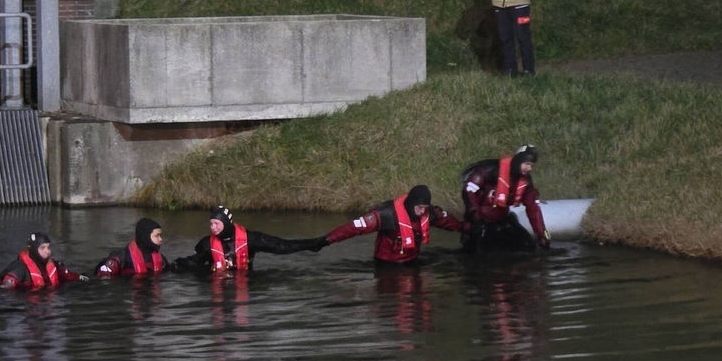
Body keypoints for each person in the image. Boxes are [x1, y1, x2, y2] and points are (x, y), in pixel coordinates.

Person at [318, 185, 465, 266]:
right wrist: (326, 240)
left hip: (411, 262)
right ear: (411, 203)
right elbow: (353, 228)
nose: (422, 212)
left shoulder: (428, 213)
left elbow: (447, 222)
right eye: (419, 207)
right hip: (386, 265)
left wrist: (466, 228)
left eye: (425, 208)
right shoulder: (386, 214)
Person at [173, 205, 326, 273]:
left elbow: (281, 246)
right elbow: (194, 263)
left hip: (246, 281)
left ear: (226, 223)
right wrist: (175, 265)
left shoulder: (251, 239)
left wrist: (311, 244)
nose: (213, 228)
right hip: (217, 285)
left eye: (216, 224)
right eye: (211, 224)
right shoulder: (206, 244)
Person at [460, 144, 550, 251]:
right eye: (527, 164)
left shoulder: (525, 183)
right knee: (483, 255)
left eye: (532, 166)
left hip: (503, 221)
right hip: (479, 223)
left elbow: (533, 209)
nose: (529, 168)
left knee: (528, 247)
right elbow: (468, 191)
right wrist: (476, 218)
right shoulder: (490, 170)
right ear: (518, 161)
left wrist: (541, 235)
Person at [0, 232, 89, 289]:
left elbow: (69, 276)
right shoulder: (19, 268)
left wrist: (84, 278)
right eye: (43, 248)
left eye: (48, 247)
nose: (48, 251)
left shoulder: (54, 266)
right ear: (33, 249)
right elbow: (6, 290)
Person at [95, 217, 170, 276]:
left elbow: (169, 273)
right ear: (145, 237)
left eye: (160, 236)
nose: (160, 239)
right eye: (157, 236)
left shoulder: (161, 259)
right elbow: (102, 278)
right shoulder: (121, 258)